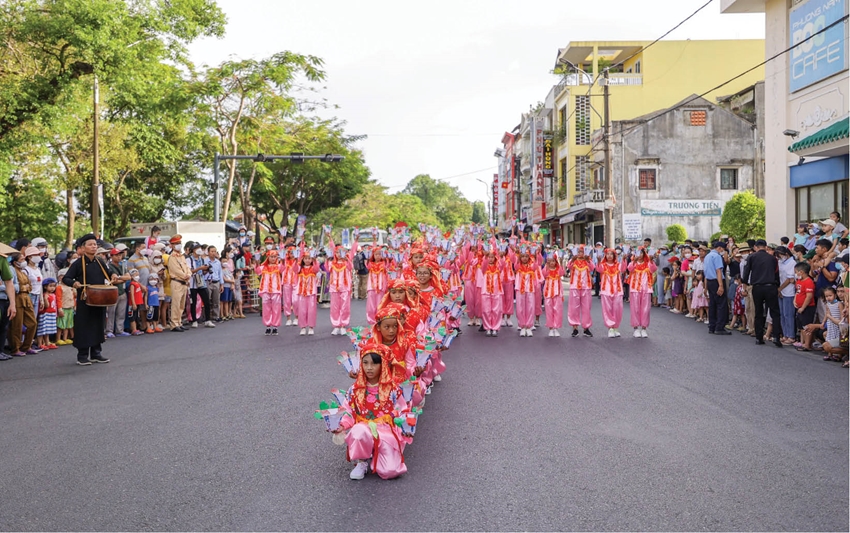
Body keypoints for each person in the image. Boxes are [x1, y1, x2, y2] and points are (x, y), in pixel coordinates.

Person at [331, 344, 412, 481]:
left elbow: (402, 410)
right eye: (365, 363)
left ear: (383, 365)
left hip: (386, 431)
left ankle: (377, 455)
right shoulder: (355, 389)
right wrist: (341, 426)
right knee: (358, 431)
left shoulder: (392, 389)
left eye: (374, 363)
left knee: (390, 471)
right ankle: (361, 461)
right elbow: (348, 411)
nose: (369, 367)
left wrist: (406, 428)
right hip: (364, 428)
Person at [62, 234, 111, 365]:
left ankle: (96, 353)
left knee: (98, 325)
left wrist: (114, 275)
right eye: (90, 244)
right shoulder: (78, 263)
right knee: (85, 326)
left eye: (95, 244)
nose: (94, 247)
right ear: (83, 248)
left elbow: (109, 273)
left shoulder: (100, 261)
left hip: (99, 299)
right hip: (85, 299)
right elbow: (66, 278)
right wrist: (74, 283)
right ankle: (82, 355)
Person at [742, 239, 782, 347]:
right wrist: (777, 286)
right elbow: (776, 273)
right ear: (766, 247)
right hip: (771, 286)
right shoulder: (773, 258)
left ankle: (759, 337)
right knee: (775, 312)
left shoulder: (751, 257)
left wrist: (744, 286)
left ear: (755, 247)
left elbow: (746, 273)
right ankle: (776, 337)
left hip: (757, 287)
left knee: (758, 312)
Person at [9, 251, 38, 356]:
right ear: (15, 262)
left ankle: (26, 346)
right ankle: (15, 348)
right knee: (17, 325)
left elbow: (30, 286)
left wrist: (25, 287)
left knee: (33, 323)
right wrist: (23, 287)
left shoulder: (23, 271)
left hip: (27, 299)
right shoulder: (12, 271)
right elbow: (12, 285)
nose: (24, 261)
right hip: (17, 299)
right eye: (21, 260)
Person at [327, 239, 358, 335]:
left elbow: (352, 253)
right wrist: (330, 238)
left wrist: (356, 241)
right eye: (337, 252)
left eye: (341, 252)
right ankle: (336, 325)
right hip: (334, 288)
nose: (339, 254)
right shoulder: (331, 263)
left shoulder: (347, 262)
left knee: (345, 307)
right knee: (334, 307)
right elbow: (327, 268)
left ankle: (343, 325)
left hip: (345, 288)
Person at [627, 247, 657, 338]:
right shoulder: (633, 263)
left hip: (646, 289)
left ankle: (644, 328)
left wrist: (651, 260)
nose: (639, 255)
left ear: (644, 254)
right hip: (635, 289)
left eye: (641, 253)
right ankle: (636, 328)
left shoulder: (648, 263)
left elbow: (653, 269)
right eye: (638, 253)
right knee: (635, 308)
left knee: (646, 309)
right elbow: (629, 269)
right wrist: (634, 261)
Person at [567, 245, 595, 338]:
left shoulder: (587, 261)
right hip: (575, 287)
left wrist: (588, 260)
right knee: (574, 308)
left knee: (586, 308)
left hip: (586, 287)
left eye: (582, 252)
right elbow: (568, 266)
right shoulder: (573, 261)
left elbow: (592, 268)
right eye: (578, 252)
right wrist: (572, 259)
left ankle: (586, 328)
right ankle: (575, 328)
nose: (580, 254)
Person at [704, 241, 731, 335]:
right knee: (721, 304)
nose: (723, 251)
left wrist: (705, 287)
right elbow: (718, 271)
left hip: (710, 281)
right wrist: (721, 285)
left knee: (712, 304)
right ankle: (719, 327)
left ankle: (712, 326)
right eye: (723, 249)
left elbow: (705, 272)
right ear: (719, 248)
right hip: (717, 281)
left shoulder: (707, 256)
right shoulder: (717, 256)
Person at [255, 249, 284, 335]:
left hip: (275, 290)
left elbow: (283, 267)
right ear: (268, 257)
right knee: (266, 309)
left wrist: (283, 259)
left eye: (274, 257)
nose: (273, 258)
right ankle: (268, 326)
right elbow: (257, 271)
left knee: (276, 309)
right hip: (265, 290)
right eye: (271, 257)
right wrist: (257, 261)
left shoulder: (278, 266)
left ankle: (275, 326)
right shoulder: (263, 267)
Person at [596, 248, 624, 338]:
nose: (609, 256)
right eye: (607, 254)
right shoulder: (603, 265)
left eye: (611, 254)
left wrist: (624, 259)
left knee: (617, 309)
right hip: (606, 290)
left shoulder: (618, 265)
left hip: (617, 290)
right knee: (607, 309)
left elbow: (624, 269)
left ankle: (616, 327)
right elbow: (599, 270)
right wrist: (599, 261)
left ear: (614, 255)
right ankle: (610, 328)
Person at [475, 251, 504, 337]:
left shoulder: (498, 267)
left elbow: (502, 265)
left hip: (496, 291)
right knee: (486, 310)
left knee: (496, 310)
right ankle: (487, 327)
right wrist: (485, 256)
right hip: (486, 291)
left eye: (492, 257)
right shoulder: (485, 268)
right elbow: (483, 265)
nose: (490, 259)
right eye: (489, 257)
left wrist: (501, 256)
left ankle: (495, 327)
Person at [187, 243, 215, 329]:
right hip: (193, 283)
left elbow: (203, 272)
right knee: (193, 303)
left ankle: (208, 320)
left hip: (201, 282)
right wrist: (200, 268)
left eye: (200, 248)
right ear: (193, 250)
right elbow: (189, 271)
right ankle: (194, 320)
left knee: (207, 301)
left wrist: (206, 270)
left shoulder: (202, 259)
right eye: (197, 248)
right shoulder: (189, 259)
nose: (199, 250)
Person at [167, 235, 191, 332]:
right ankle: (174, 324)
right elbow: (175, 270)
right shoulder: (172, 257)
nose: (179, 245)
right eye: (176, 243)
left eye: (179, 243)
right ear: (172, 245)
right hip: (177, 282)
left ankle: (179, 322)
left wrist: (188, 274)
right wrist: (185, 276)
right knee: (176, 304)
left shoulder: (182, 256)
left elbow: (187, 268)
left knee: (181, 305)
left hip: (184, 282)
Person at [105, 248, 130, 338]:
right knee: (111, 313)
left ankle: (120, 330)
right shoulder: (109, 267)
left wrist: (119, 278)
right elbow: (113, 281)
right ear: (111, 256)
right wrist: (122, 279)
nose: (119, 257)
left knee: (121, 312)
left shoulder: (122, 266)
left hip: (122, 291)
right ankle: (109, 330)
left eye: (120, 255)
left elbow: (128, 277)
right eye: (116, 255)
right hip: (112, 292)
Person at [295, 247, 320, 335]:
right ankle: (303, 327)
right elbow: (295, 269)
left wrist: (314, 259)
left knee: (311, 310)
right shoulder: (300, 269)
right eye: (305, 258)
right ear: (303, 259)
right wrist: (296, 259)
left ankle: (311, 327)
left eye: (309, 258)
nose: (307, 260)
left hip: (311, 293)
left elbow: (317, 269)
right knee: (302, 310)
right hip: (302, 292)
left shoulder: (313, 268)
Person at [0, 242, 18, 360]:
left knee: (3, 327)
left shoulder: (1, 259)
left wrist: (12, 303)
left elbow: (9, 282)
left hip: (2, 300)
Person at [793, 262, 817, 347]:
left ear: (801, 272)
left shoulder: (809, 282)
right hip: (799, 307)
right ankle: (802, 343)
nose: (796, 274)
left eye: (796, 272)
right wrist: (794, 300)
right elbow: (797, 292)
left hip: (807, 307)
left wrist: (803, 307)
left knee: (806, 326)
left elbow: (809, 296)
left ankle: (807, 344)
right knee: (801, 326)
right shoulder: (799, 281)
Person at [542, 253, 566, 337]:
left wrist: (561, 262)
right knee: (549, 310)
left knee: (558, 310)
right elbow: (544, 274)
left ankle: (556, 327)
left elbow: (562, 273)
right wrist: (546, 265)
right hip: (548, 293)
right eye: (550, 261)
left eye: (553, 261)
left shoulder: (558, 269)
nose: (552, 263)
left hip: (557, 293)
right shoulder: (547, 269)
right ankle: (551, 328)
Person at [36, 278, 58, 350]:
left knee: (47, 330)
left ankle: (47, 342)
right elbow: (46, 306)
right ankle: (40, 343)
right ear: (45, 287)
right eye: (50, 286)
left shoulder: (53, 295)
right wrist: (45, 299)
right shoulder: (45, 295)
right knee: (42, 329)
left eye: (54, 286)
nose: (52, 288)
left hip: (51, 313)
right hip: (45, 313)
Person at [55, 268, 76, 345]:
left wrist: (74, 305)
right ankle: (58, 338)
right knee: (61, 324)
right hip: (63, 307)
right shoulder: (59, 287)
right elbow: (58, 298)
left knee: (68, 324)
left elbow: (73, 297)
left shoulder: (70, 287)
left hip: (70, 307)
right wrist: (60, 309)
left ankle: (65, 338)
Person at [127, 268, 146, 336]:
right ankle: (134, 329)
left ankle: (136, 329)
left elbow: (143, 289)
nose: (137, 276)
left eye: (138, 275)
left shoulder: (137, 283)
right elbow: (131, 294)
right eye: (136, 275)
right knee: (132, 317)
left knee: (136, 316)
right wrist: (133, 303)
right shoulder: (132, 284)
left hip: (138, 303)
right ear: (132, 276)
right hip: (133, 304)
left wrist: (139, 283)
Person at [206, 246, 223, 322]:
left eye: (215, 251)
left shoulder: (218, 262)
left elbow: (220, 273)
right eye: (212, 251)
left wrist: (221, 284)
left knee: (216, 300)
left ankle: (216, 316)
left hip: (216, 282)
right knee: (207, 300)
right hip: (208, 281)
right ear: (208, 252)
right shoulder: (205, 261)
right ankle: (207, 317)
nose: (213, 253)